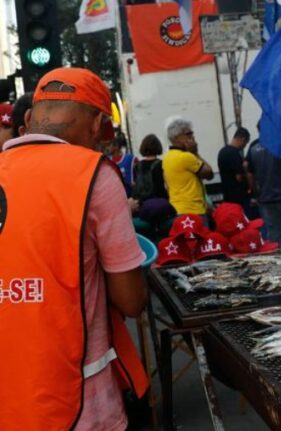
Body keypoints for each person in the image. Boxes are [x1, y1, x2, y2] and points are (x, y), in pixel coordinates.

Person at [0, 67, 149, 430]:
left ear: (31, 118)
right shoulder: (93, 174)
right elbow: (131, 300)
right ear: (98, 124)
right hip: (79, 399)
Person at [248, 126, 281, 253]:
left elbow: (249, 173)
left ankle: (277, 259)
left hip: (267, 198)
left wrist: (257, 193)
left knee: (273, 234)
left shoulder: (254, 148)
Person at [163, 117, 214, 222]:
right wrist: (195, 152)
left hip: (177, 209)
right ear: (177, 138)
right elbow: (209, 174)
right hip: (194, 210)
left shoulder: (167, 157)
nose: (192, 138)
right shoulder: (186, 157)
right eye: (188, 134)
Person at [217, 126, 251, 212]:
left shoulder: (222, 151)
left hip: (228, 197)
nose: (244, 146)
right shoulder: (234, 153)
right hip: (238, 199)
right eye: (246, 143)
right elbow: (239, 177)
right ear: (242, 139)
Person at [106, 132, 136, 197]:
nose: (107, 148)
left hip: (129, 195)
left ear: (116, 146)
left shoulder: (131, 159)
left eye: (109, 145)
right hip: (113, 196)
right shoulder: (106, 161)